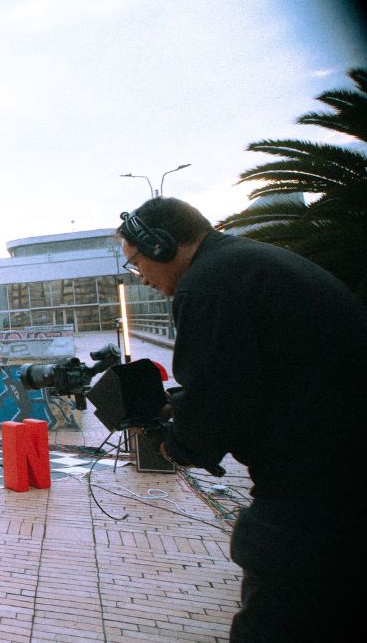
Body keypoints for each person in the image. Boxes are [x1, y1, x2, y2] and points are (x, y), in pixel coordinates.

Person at [116, 197, 365, 640]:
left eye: (136, 264)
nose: (143, 279)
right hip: (339, 470)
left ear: (160, 245)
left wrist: (177, 443)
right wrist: (181, 405)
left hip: (316, 489)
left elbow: (218, 397)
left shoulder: (208, 284)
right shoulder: (245, 264)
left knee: (275, 616)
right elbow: (252, 377)